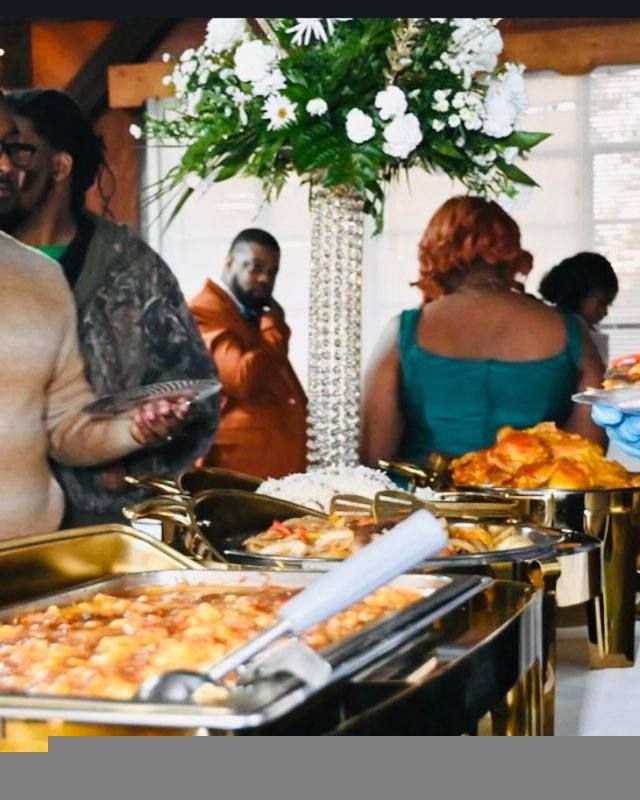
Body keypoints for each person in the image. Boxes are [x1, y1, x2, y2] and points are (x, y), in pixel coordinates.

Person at [0, 88, 218, 527]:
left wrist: (138, 445)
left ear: (61, 166)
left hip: (90, 524)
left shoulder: (120, 271)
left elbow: (68, 419)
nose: (7, 166)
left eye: (16, 149)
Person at [360, 196, 606, 466]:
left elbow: (374, 453)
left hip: (422, 505)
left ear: (434, 253)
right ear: (511, 251)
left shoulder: (403, 331)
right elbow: (588, 453)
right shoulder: (571, 331)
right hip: (528, 506)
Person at [189, 228, 307, 478]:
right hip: (235, 472)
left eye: (272, 271)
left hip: (272, 472)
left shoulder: (251, 312)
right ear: (230, 263)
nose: (265, 278)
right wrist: (275, 328)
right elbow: (242, 378)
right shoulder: (204, 312)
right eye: (255, 267)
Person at [539, 252, 618, 363]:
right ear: (577, 295)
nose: (605, 312)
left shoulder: (586, 328)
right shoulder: (560, 332)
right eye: (602, 303)